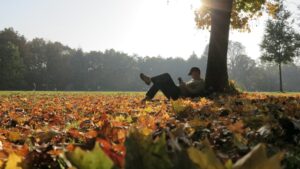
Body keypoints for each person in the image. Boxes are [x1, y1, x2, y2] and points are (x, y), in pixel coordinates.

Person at [140, 67, 205, 102]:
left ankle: (149, 80)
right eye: (191, 74)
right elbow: (185, 87)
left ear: (197, 72)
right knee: (159, 82)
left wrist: (185, 86)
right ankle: (148, 97)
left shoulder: (201, 82)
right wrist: (181, 83)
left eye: (192, 74)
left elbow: (194, 92)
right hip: (176, 91)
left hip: (178, 94)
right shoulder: (192, 80)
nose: (191, 76)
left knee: (166, 75)